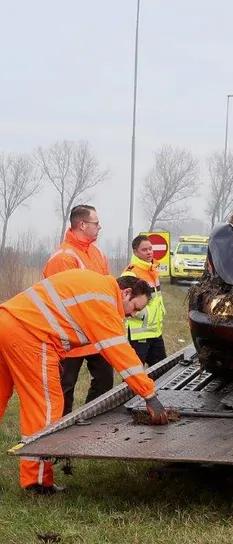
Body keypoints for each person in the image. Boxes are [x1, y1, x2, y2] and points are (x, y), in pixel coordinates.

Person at [0, 270, 170, 494]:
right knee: (46, 407)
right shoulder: (104, 302)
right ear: (126, 293)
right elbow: (121, 355)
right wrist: (149, 395)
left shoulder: (95, 286)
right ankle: (37, 482)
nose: (132, 315)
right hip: (31, 337)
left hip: (6, 321)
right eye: (135, 308)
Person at [42, 204, 115, 416]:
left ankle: (89, 420)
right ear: (82, 225)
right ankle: (61, 428)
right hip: (68, 337)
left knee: (105, 382)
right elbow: (64, 301)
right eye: (96, 223)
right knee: (65, 388)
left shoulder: (98, 254)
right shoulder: (64, 257)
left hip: (95, 333)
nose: (100, 227)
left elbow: (106, 289)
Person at [121, 234, 167, 367]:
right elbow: (125, 302)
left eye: (150, 249)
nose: (149, 252)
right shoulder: (131, 272)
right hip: (139, 333)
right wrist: (143, 315)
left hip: (155, 331)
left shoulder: (152, 270)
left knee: (163, 370)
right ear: (135, 252)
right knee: (136, 372)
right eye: (144, 250)